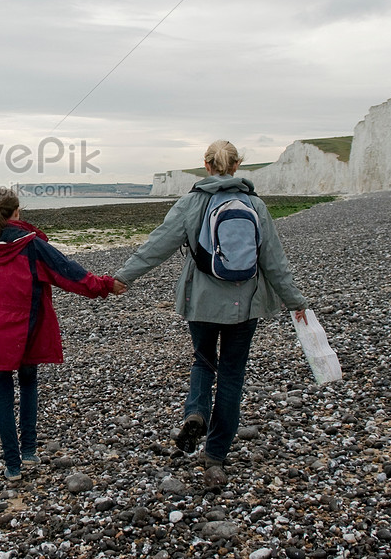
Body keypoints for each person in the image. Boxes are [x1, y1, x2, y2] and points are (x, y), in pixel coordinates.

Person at [113, 140, 309, 488]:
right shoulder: (256, 206)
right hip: (245, 304)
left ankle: (196, 413)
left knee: (204, 361)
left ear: (206, 165)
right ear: (236, 167)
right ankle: (215, 457)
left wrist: (122, 278)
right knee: (232, 375)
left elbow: (158, 244)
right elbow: (274, 262)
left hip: (201, 303)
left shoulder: (191, 203)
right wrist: (295, 301)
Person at [0, 188, 125, 481]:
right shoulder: (30, 246)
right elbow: (70, 274)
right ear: (17, 212)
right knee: (28, 382)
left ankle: (13, 465)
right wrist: (106, 285)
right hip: (26, 329)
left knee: (3, 393)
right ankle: (28, 450)